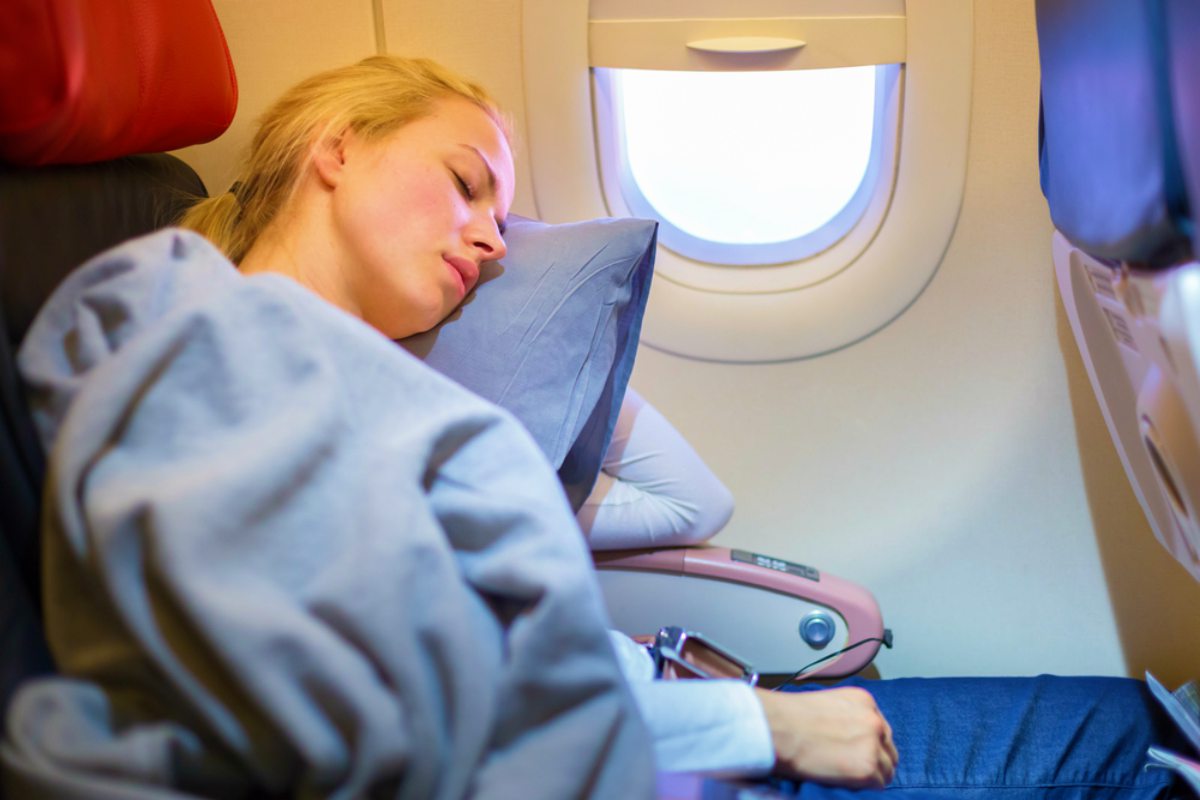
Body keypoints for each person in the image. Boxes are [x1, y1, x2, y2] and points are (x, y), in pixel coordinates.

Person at [9, 54, 1187, 798]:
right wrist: (760, 718)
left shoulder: (368, 373)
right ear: (337, 148)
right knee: (1133, 754)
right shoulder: (188, 327)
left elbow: (679, 502)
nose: (491, 239)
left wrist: (543, 323)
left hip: (634, 718)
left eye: (505, 220)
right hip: (646, 751)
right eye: (467, 183)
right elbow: (377, 690)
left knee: (1141, 723)